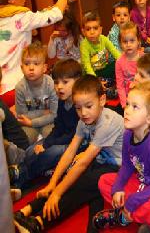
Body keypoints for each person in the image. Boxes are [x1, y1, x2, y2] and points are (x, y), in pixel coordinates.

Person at [13, 75, 124, 232]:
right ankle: (27, 210)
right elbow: (70, 151)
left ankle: (39, 222)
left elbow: (84, 162)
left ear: (102, 100)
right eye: (78, 108)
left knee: (80, 185)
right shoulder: (83, 121)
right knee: (69, 175)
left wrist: (57, 193)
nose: (83, 113)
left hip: (118, 167)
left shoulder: (107, 122)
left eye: (88, 106)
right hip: (100, 160)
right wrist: (53, 183)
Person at [94, 83, 150, 230]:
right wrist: (117, 187)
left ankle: (124, 216)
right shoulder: (128, 134)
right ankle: (135, 215)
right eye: (128, 104)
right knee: (104, 181)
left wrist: (133, 200)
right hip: (143, 182)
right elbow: (127, 166)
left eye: (135, 107)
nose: (127, 110)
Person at [0, 0, 73, 107]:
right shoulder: (21, 17)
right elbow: (56, 14)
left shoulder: (6, 16)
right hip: (16, 87)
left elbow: (37, 16)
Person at [10, 59, 82, 189]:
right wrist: (45, 142)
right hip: (63, 138)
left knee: (51, 152)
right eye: (56, 82)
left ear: (78, 81)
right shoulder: (62, 101)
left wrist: (49, 144)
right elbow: (58, 127)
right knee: (32, 149)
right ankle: (20, 170)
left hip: (77, 143)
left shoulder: (80, 106)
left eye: (65, 82)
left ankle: (21, 176)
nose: (59, 86)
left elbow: (73, 135)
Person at [15, 43, 58, 144]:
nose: (31, 68)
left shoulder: (50, 84)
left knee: (52, 137)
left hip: (48, 122)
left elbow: (55, 114)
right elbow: (22, 115)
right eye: (27, 64)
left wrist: (32, 121)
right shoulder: (20, 88)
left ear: (44, 68)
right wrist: (43, 112)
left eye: (36, 63)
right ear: (22, 68)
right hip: (27, 124)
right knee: (24, 140)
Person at [79, 11, 121, 97]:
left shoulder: (104, 39)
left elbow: (115, 53)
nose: (92, 32)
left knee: (117, 64)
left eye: (95, 28)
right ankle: (104, 87)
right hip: (91, 73)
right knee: (86, 80)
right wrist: (96, 81)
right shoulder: (84, 45)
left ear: (100, 30)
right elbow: (87, 66)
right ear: (83, 31)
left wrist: (126, 63)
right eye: (88, 29)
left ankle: (112, 85)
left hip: (104, 69)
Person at [115, 22, 142, 108]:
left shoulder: (143, 59)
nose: (128, 44)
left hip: (143, 96)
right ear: (120, 43)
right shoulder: (119, 62)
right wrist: (124, 104)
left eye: (132, 40)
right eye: (125, 41)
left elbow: (149, 81)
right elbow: (120, 85)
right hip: (128, 98)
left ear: (138, 41)